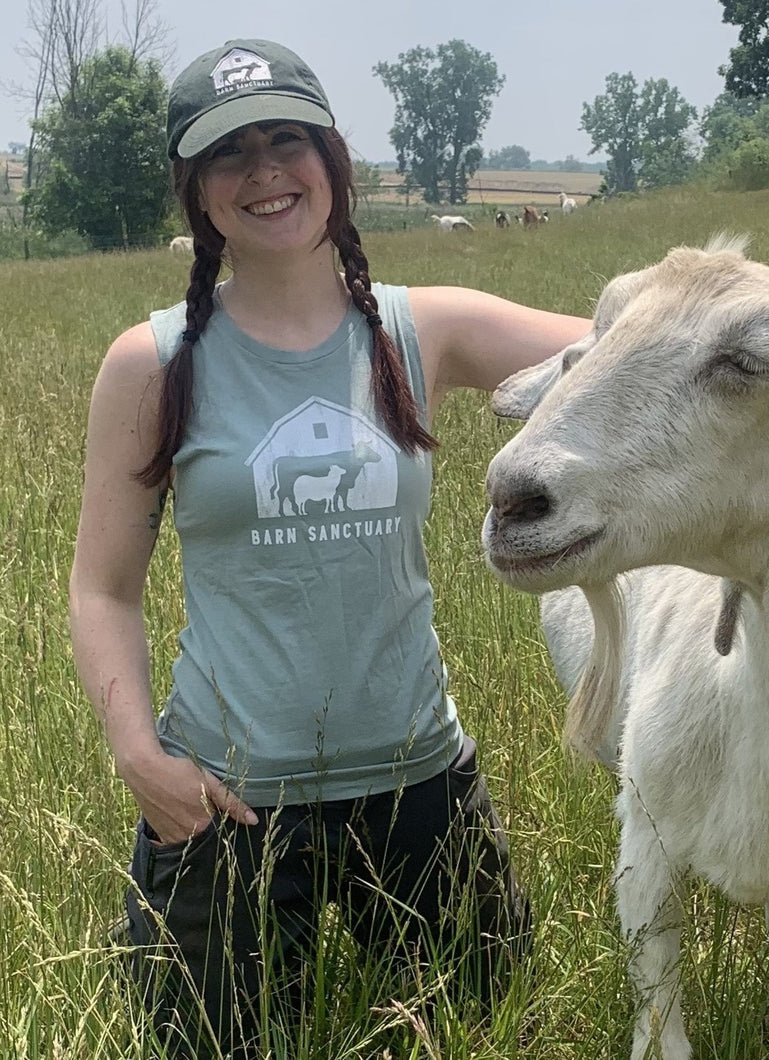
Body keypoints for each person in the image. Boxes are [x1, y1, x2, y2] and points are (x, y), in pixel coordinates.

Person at [68, 38, 591, 1057]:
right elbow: (104, 589)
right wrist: (138, 753)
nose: (265, 172)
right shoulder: (153, 361)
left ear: (333, 159)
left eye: (286, 139)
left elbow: (627, 351)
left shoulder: (419, 329)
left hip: (420, 787)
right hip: (224, 804)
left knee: (483, 1036)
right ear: (199, 194)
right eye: (231, 155)